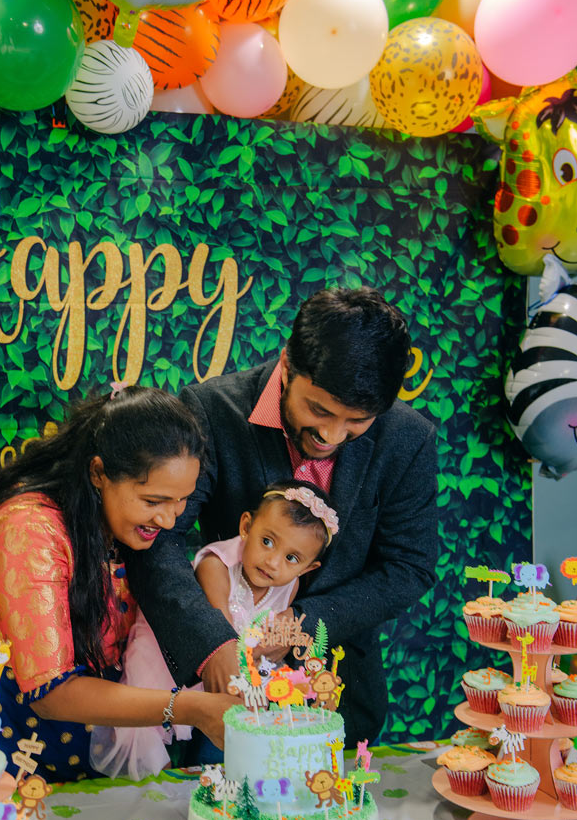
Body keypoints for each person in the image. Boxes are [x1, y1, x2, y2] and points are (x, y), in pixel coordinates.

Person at [126, 286, 438, 747]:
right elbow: (159, 541)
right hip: (217, 694)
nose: (332, 434)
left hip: (339, 688)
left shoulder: (407, 439)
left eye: (357, 421)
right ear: (288, 365)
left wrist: (301, 623)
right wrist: (214, 642)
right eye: (319, 410)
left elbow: (409, 567)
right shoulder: (213, 410)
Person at [0, 387, 236, 782]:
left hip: (93, 753)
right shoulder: (28, 532)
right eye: (153, 501)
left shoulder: (121, 526)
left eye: (181, 501)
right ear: (98, 473)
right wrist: (190, 708)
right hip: (10, 751)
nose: (170, 520)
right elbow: (52, 694)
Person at [92, 478, 339, 779]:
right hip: (171, 656)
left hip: (230, 670)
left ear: (307, 569)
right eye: (267, 541)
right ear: (246, 526)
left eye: (291, 558)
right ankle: (155, 792)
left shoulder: (289, 586)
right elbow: (221, 632)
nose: (273, 562)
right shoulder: (216, 565)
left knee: (229, 734)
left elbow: (268, 647)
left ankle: (214, 783)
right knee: (151, 739)